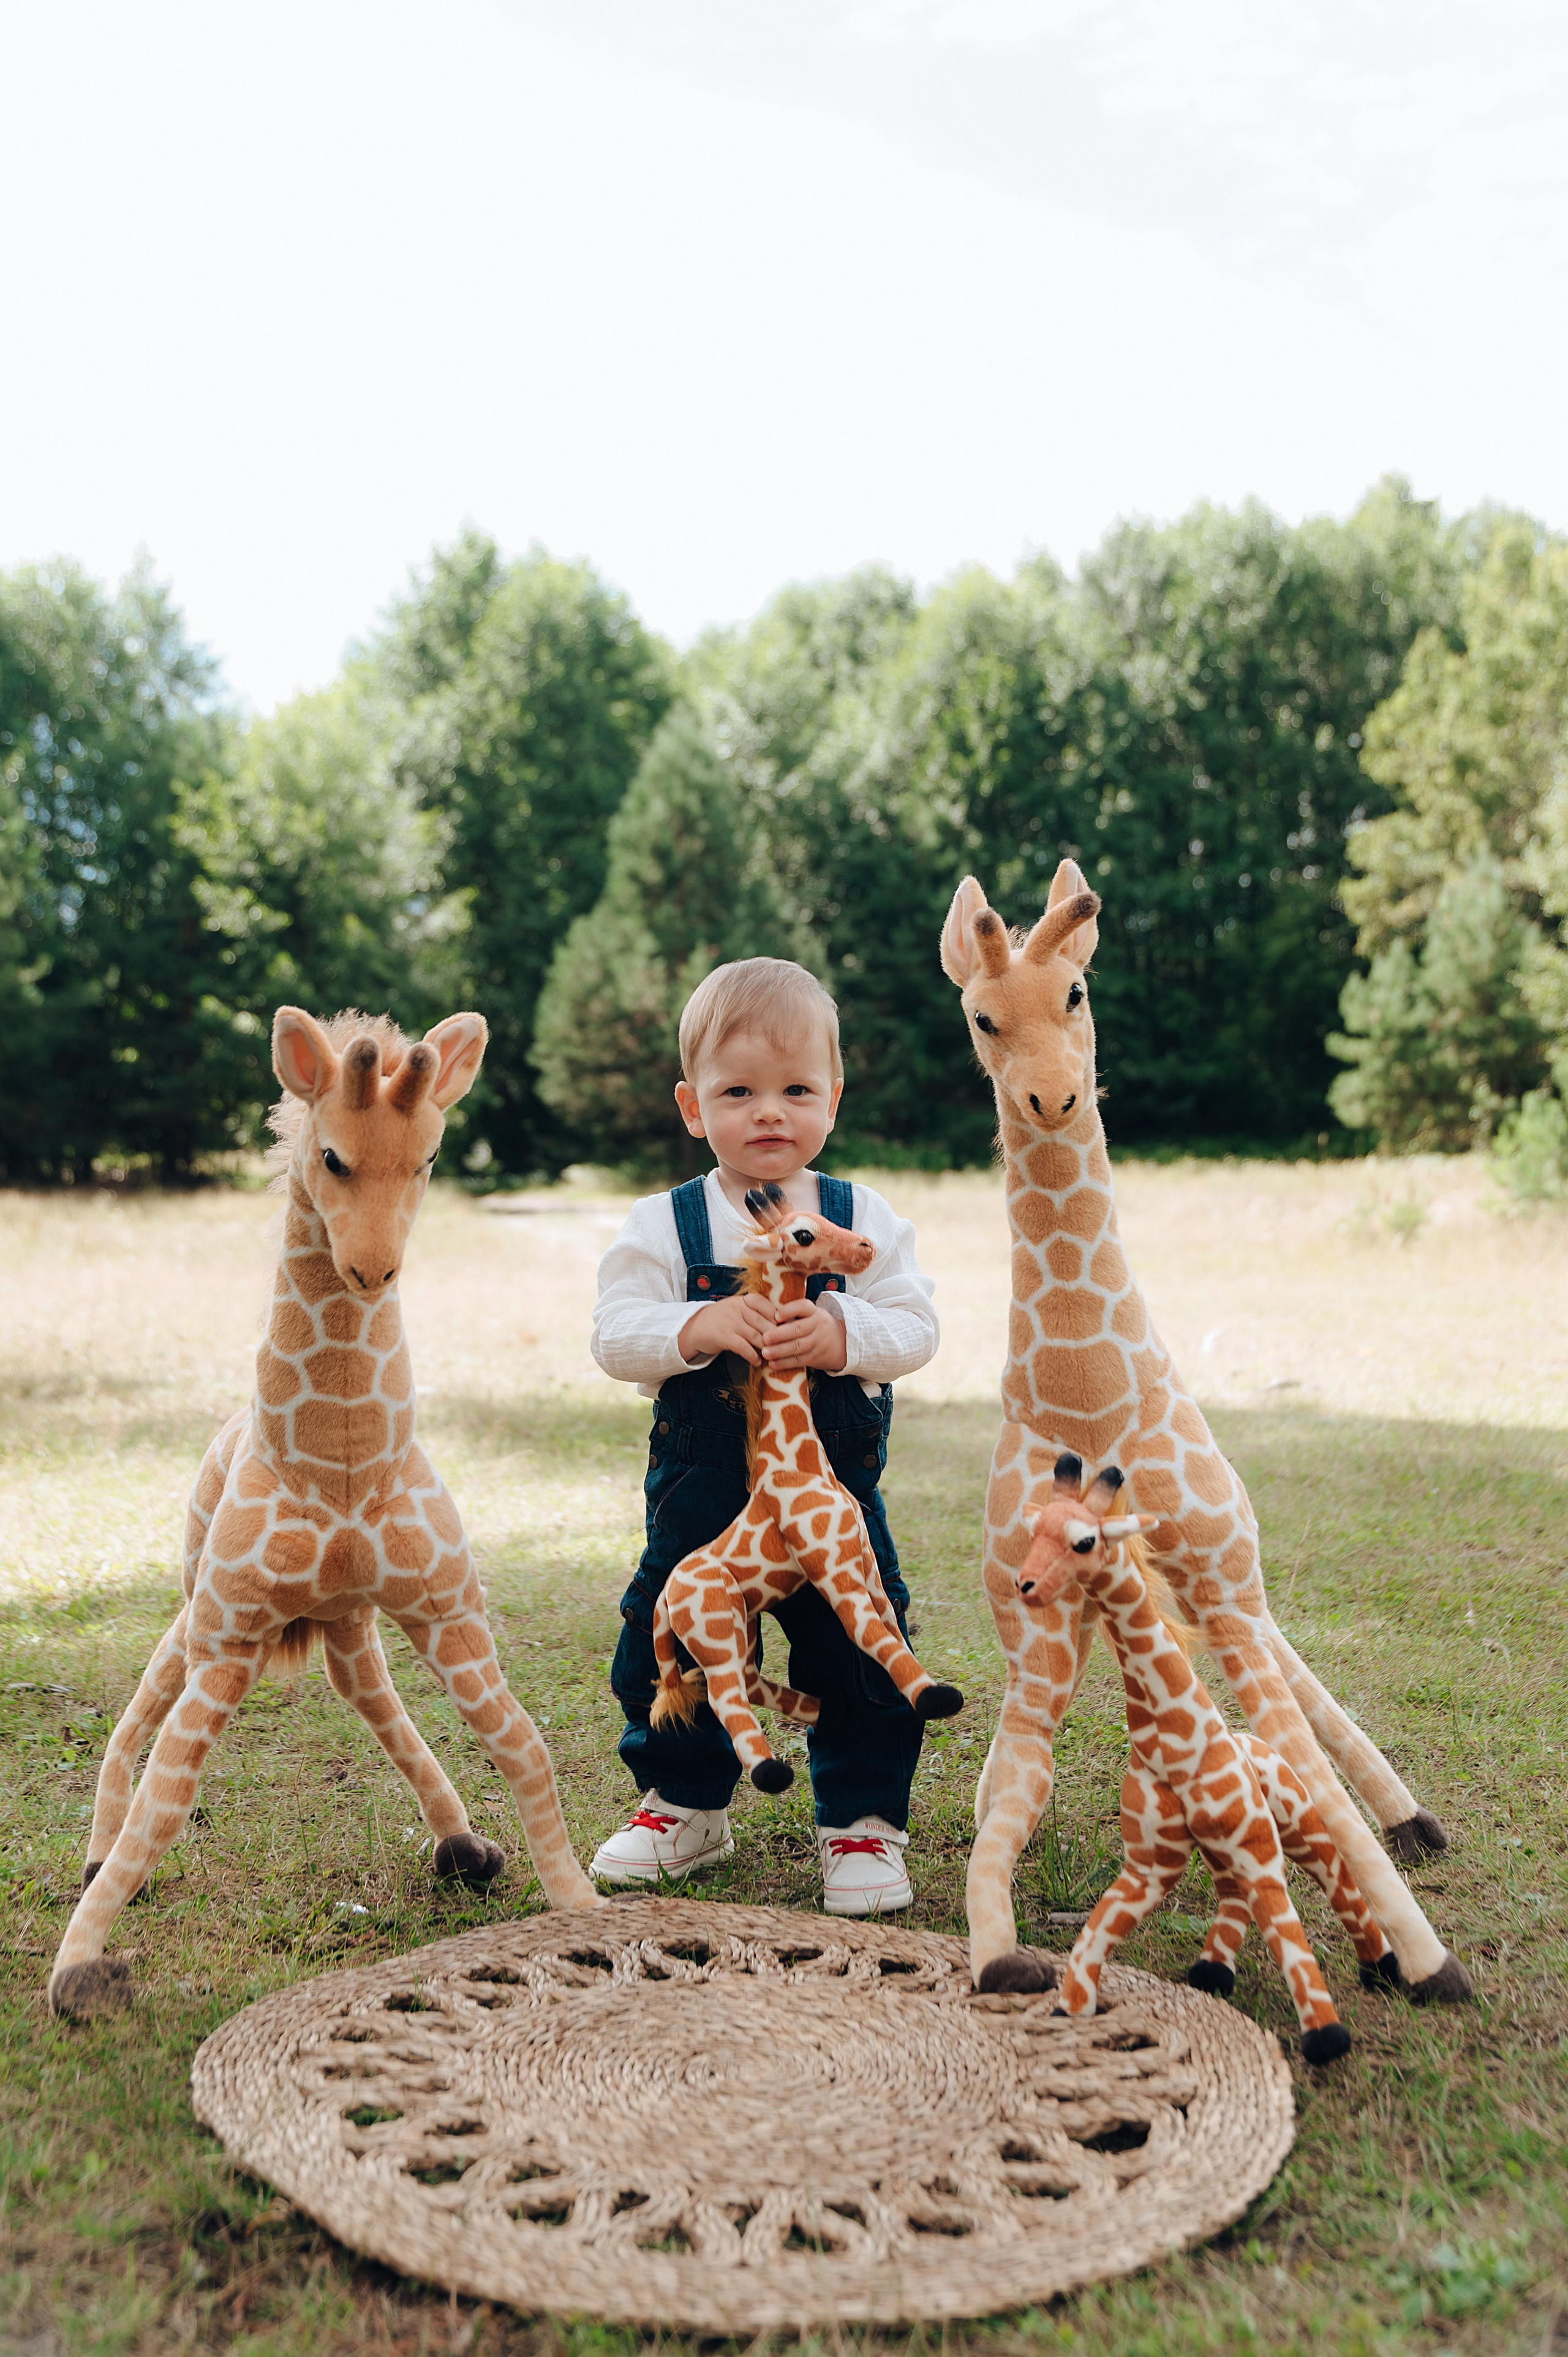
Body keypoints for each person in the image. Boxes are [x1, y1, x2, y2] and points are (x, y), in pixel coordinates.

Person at [589, 957, 940, 1914]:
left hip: (828, 1493)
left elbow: (917, 1327)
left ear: (834, 1097)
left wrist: (843, 1333)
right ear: (692, 1106)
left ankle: (861, 1823)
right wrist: (697, 1326)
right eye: (738, 1092)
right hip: (702, 1492)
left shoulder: (861, 1218)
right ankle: (684, 1805)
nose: (769, 1113)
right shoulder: (664, 1224)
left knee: (860, 1638)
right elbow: (613, 1335)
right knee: (668, 1630)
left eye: (796, 1090)